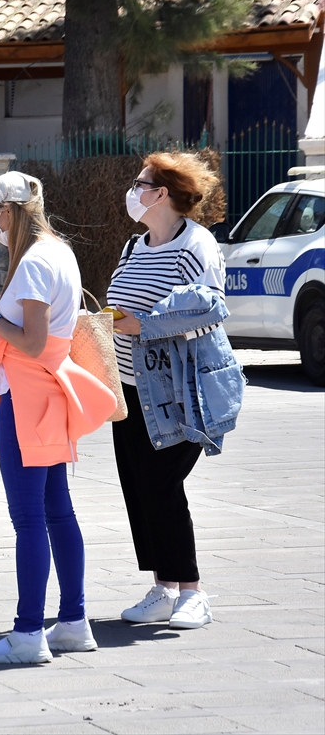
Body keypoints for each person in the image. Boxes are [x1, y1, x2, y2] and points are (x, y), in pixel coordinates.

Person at [0, 171, 115, 664]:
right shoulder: (58, 252)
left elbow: (31, 341)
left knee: (29, 519)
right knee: (56, 511)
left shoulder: (34, 263)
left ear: (11, 211)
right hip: (48, 393)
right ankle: (73, 621)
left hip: (27, 394)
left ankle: (29, 634)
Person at [107, 152, 242, 630]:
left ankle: (191, 591)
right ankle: (162, 587)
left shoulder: (196, 244)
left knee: (162, 486)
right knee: (138, 489)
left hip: (179, 390)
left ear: (161, 193)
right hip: (128, 390)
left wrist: (143, 324)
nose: (133, 190)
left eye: (140, 183)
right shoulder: (134, 246)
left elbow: (210, 306)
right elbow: (121, 308)